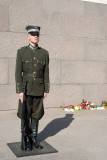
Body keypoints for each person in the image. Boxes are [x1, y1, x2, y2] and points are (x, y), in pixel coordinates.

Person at [15, 25, 49, 149]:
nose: (36, 36)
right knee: (25, 114)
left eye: (37, 34)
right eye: (33, 34)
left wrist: (46, 89)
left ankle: (34, 137)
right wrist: (19, 90)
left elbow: (46, 72)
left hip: (39, 88)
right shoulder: (21, 51)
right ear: (28, 36)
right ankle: (26, 137)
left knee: (36, 114)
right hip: (26, 88)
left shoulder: (44, 53)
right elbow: (18, 72)